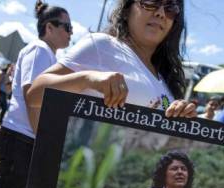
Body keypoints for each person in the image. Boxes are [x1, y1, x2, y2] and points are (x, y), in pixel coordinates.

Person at [0, 1, 72, 188]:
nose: (71, 33)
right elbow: (33, 98)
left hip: (27, 138)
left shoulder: (47, 54)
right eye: (67, 27)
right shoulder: (39, 50)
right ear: (49, 27)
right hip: (23, 138)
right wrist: (43, 142)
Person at [26, 0, 197, 122]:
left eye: (170, 7)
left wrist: (181, 117)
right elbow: (34, 94)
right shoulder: (102, 45)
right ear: (127, 9)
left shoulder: (165, 79)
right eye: (151, 2)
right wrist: (88, 79)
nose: (160, 13)